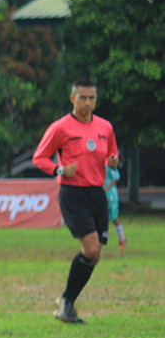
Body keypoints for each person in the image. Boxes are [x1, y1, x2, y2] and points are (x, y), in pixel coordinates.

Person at [32, 78, 119, 323]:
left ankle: (66, 302)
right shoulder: (60, 127)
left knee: (95, 254)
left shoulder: (105, 127)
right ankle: (66, 303)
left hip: (97, 193)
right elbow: (40, 157)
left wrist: (113, 160)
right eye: (82, 98)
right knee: (90, 249)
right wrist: (59, 169)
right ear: (72, 99)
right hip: (73, 194)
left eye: (92, 98)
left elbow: (112, 153)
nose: (88, 103)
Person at [104, 163, 126, 250]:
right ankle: (102, 239)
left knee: (114, 217)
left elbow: (116, 178)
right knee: (102, 217)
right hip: (102, 194)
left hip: (111, 195)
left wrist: (107, 187)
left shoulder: (109, 164)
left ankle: (122, 238)